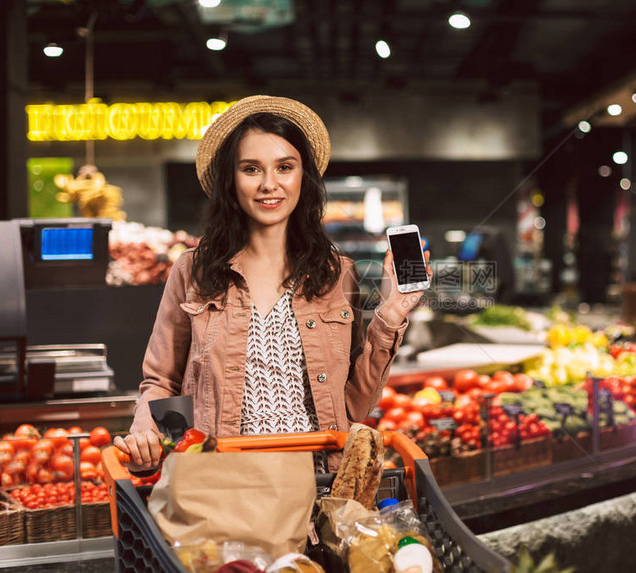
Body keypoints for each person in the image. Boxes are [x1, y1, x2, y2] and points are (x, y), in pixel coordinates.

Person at [113, 95, 431, 472]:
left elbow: (353, 407)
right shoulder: (193, 272)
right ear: (231, 180)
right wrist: (149, 432)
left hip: (316, 488)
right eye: (251, 169)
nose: (269, 184)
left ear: (303, 177)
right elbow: (161, 380)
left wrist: (392, 312)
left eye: (285, 167)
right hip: (221, 487)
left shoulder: (336, 273)